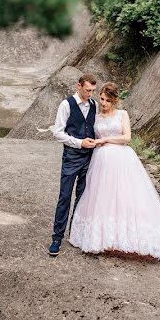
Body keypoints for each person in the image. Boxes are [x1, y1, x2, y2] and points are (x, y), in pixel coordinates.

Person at [68, 82, 160, 260]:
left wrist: (105, 140)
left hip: (122, 159)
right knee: (102, 197)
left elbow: (127, 137)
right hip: (101, 161)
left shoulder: (122, 114)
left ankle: (126, 238)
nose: (103, 103)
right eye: (101, 99)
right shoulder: (96, 117)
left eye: (108, 100)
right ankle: (102, 239)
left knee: (125, 196)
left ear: (115, 100)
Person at [48, 73, 98, 257]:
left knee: (82, 198)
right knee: (65, 197)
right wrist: (79, 143)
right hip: (71, 157)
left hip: (89, 158)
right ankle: (56, 238)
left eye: (93, 90)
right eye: (88, 90)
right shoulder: (66, 104)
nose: (91, 94)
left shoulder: (94, 105)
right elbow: (57, 133)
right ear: (79, 86)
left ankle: (75, 233)